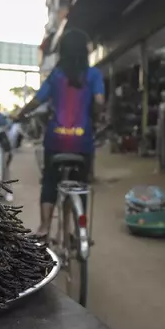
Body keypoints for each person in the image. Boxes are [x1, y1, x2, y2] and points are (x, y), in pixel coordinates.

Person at [15, 28, 105, 237]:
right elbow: (100, 101)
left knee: (50, 181)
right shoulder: (93, 75)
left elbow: (37, 100)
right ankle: (75, 229)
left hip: (55, 141)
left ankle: (45, 227)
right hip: (83, 142)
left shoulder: (56, 76)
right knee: (79, 184)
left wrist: (20, 114)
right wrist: (96, 116)